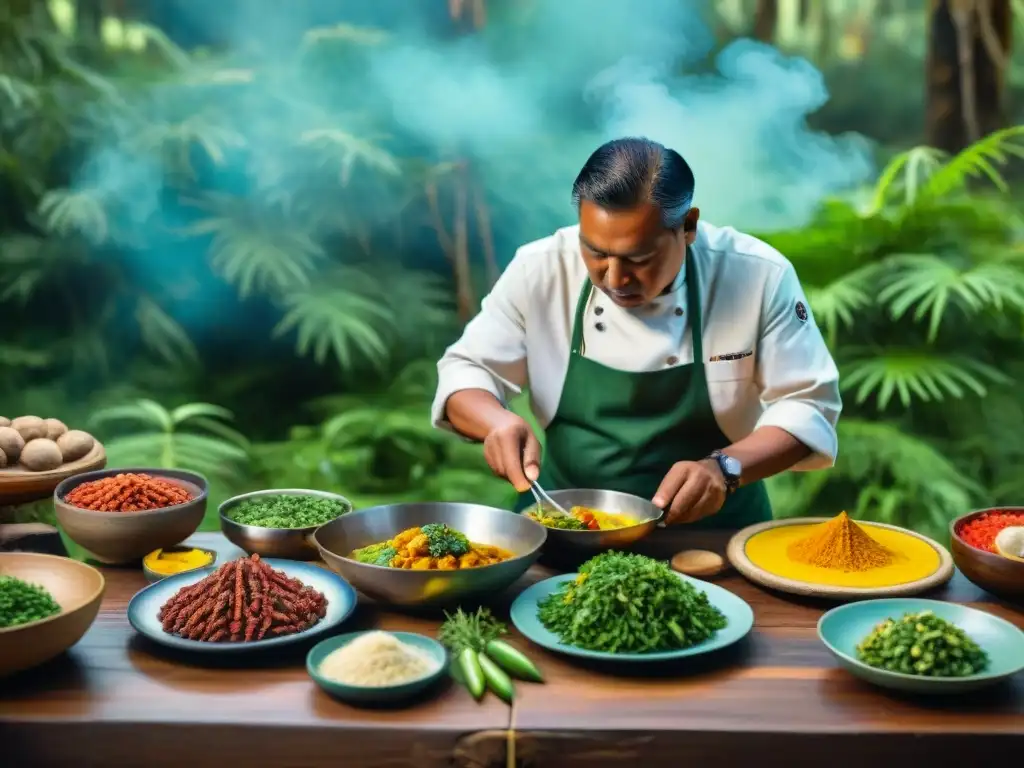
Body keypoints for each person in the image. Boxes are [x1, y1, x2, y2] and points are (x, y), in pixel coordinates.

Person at [430, 137, 840, 528]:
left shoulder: (757, 275)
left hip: (716, 531)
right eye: (595, 251)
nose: (614, 277)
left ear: (688, 226)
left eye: (639, 257)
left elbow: (808, 404)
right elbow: (467, 369)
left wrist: (725, 468)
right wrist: (496, 422)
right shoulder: (539, 269)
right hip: (563, 523)